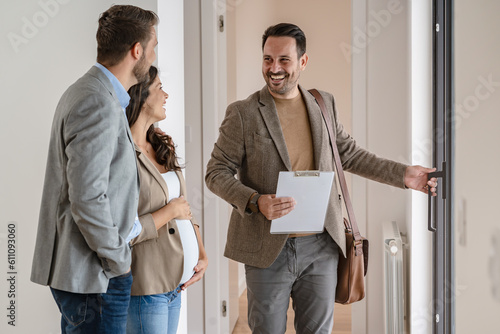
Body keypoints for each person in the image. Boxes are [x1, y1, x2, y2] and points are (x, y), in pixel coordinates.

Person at [205, 23, 438, 333]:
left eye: (284, 60)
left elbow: (351, 155)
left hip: (321, 246)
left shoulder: (322, 104)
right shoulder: (243, 113)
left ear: (303, 61)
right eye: (267, 59)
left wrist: (404, 175)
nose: (274, 68)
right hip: (266, 246)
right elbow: (216, 171)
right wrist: (255, 200)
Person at [30, 5, 158, 333]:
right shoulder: (96, 101)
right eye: (153, 47)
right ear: (137, 50)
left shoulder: (92, 93)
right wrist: (118, 262)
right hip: (95, 277)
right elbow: (87, 197)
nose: (154, 57)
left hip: (90, 276)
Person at [125, 66, 208, 334]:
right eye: (160, 87)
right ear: (140, 95)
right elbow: (123, 231)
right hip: (148, 288)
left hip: (176, 285)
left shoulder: (161, 144)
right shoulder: (123, 154)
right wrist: (170, 211)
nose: (166, 95)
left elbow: (183, 206)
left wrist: (202, 253)